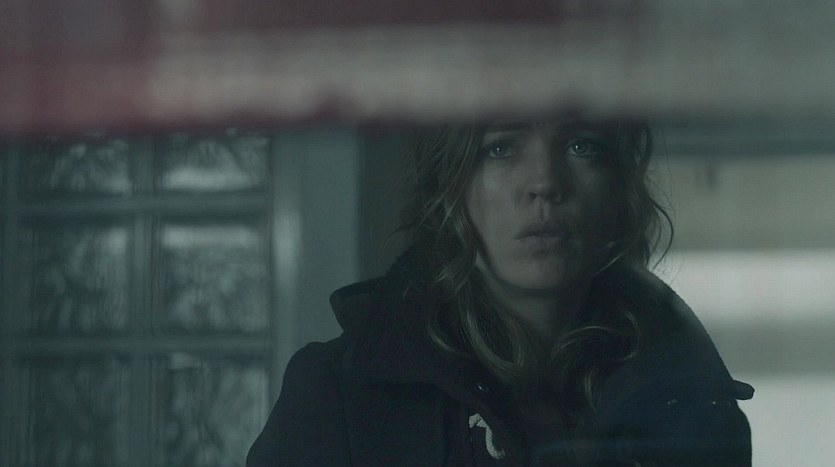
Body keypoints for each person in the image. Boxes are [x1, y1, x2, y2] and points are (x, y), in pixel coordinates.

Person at [247, 116, 754, 466]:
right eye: (500, 148)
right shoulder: (339, 396)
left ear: (619, 186)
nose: (545, 182)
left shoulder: (690, 403)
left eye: (582, 146)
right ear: (454, 184)